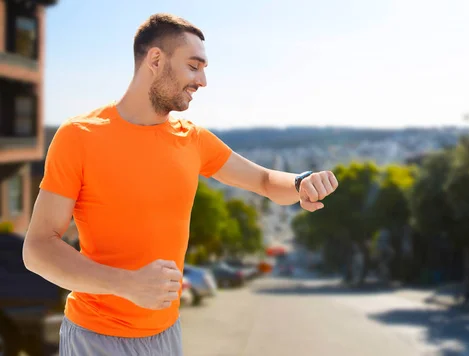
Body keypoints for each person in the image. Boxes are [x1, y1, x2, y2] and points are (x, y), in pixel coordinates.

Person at [22, 13, 339, 356]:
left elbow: (263, 180)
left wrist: (301, 182)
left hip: (166, 336)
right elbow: (38, 248)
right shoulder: (79, 136)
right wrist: (126, 285)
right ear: (156, 60)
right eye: (193, 66)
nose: (202, 80)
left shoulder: (193, 140)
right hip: (95, 338)